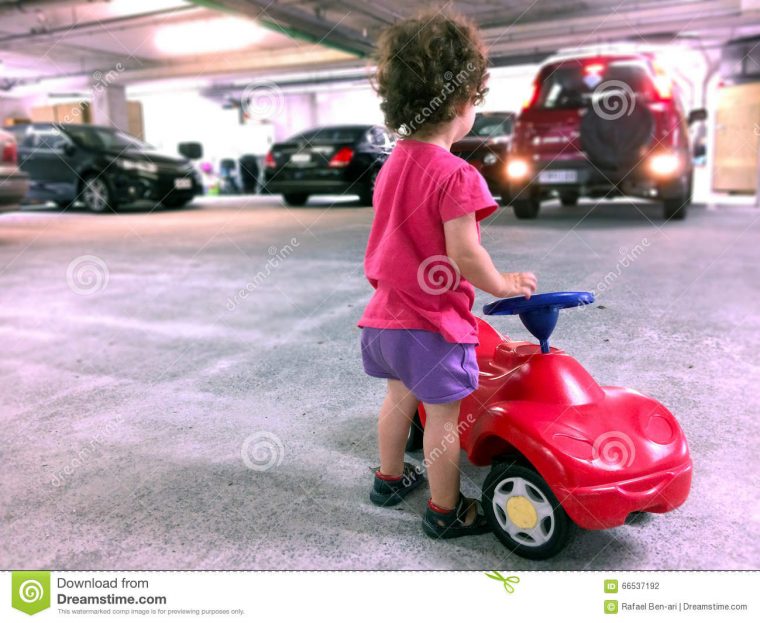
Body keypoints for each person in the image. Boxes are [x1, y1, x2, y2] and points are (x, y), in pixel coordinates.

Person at [358, 10, 537, 539]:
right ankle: (445, 510)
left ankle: (388, 480)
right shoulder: (457, 173)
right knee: (441, 421)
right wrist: (503, 285)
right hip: (433, 326)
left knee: (396, 401)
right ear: (463, 105)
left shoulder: (392, 165)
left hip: (383, 320)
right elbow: (464, 253)